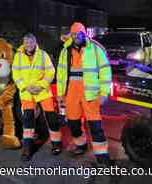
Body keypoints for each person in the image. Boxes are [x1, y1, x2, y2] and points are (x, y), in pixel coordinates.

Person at [56, 22, 112, 166]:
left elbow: (105, 71)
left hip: (91, 94)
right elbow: (61, 73)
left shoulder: (94, 49)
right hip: (71, 94)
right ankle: (81, 145)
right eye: (74, 34)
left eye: (80, 34)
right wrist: (60, 93)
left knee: (95, 126)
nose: (77, 36)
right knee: (73, 123)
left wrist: (104, 93)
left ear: (84, 34)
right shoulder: (65, 51)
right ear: (71, 35)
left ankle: (102, 156)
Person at [12, 33, 62, 161]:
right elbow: (16, 73)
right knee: (28, 119)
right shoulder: (18, 56)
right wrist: (24, 86)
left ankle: (56, 144)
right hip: (27, 92)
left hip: (42, 91)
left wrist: (41, 85)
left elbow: (50, 71)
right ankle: (28, 148)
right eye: (26, 42)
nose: (29, 45)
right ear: (23, 43)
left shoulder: (43, 54)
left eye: (31, 42)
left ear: (35, 42)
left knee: (51, 117)